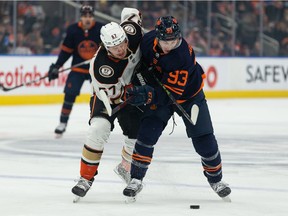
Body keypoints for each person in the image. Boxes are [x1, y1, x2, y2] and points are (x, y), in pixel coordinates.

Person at [123, 16, 232, 202]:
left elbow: (170, 95)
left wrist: (148, 94)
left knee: (204, 139)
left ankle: (216, 180)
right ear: (157, 37)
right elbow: (137, 62)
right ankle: (135, 178)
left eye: (173, 40)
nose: (170, 44)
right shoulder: (148, 40)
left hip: (189, 96)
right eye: (166, 40)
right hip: (160, 90)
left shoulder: (182, 56)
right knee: (147, 133)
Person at [71, 8, 144, 201]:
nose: (120, 49)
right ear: (105, 46)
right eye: (114, 47)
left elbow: (130, 12)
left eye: (122, 43)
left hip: (129, 90)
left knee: (135, 133)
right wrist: (136, 92)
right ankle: (85, 179)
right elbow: (115, 97)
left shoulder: (132, 32)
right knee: (98, 129)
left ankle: (125, 167)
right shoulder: (102, 68)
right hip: (107, 96)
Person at [47, 5, 104, 137]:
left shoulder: (101, 29)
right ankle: (62, 123)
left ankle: (100, 124)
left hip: (94, 69)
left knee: (100, 95)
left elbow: (107, 49)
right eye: (85, 16)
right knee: (69, 94)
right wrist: (57, 66)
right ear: (81, 17)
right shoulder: (73, 30)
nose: (87, 19)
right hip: (78, 68)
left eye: (90, 16)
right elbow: (66, 51)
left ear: (93, 17)